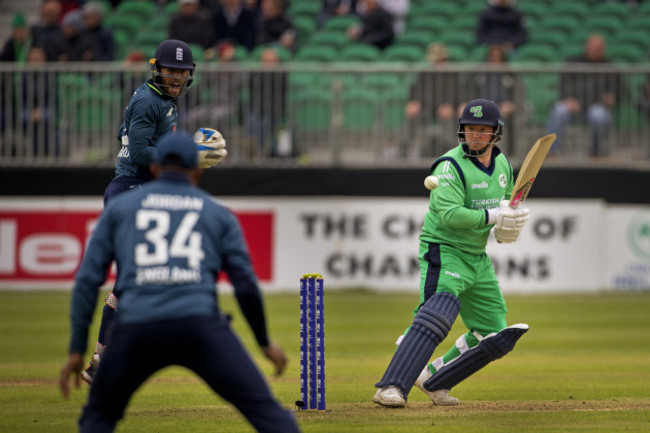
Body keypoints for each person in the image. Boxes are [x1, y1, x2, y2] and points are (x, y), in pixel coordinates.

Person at [58, 132, 300, 433]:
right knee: (268, 414)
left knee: (98, 417)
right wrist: (263, 342)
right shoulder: (218, 214)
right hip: (200, 329)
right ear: (198, 171)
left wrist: (76, 348)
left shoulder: (122, 209)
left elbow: (87, 280)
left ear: (155, 168)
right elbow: (245, 285)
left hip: (136, 330)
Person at [78, 39, 226, 384]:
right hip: (131, 191)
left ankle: (107, 359)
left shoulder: (159, 100)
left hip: (141, 190)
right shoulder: (149, 100)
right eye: (170, 70)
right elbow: (137, 153)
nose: (175, 78)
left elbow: (123, 136)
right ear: (156, 69)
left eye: (182, 72)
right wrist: (185, 153)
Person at [373, 99, 531, 408]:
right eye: (470, 129)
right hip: (444, 250)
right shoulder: (450, 165)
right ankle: (391, 386)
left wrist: (506, 228)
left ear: (495, 133)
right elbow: (450, 216)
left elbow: (502, 216)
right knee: (435, 314)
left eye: (482, 130)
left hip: (476, 256)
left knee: (493, 331)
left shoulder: (502, 166)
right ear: (462, 131)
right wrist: (493, 217)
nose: (475, 136)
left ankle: (435, 378)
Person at [546, 34, 622, 156]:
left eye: (599, 48)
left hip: (597, 105)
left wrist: (612, 96)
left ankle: (595, 152)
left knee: (599, 116)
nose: (596, 50)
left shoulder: (609, 67)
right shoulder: (574, 62)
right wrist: (568, 99)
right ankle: (552, 152)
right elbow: (563, 84)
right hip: (574, 105)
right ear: (587, 47)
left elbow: (619, 89)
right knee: (559, 110)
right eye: (594, 47)